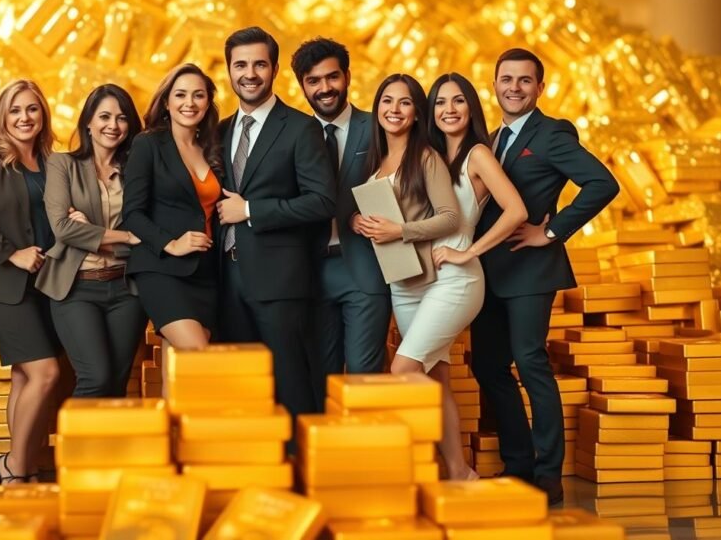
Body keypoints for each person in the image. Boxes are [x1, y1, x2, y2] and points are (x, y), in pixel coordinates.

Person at [471, 49, 619, 504]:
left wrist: (551, 231)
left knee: (530, 361)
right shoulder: (489, 138)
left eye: (524, 80)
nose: (514, 87)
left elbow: (603, 183)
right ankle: (518, 467)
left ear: (540, 87)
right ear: (493, 84)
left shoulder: (551, 133)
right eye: (506, 79)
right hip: (487, 269)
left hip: (531, 270)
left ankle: (549, 474)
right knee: (489, 366)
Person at [375, 72, 528, 480]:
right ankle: (459, 471)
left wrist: (469, 251)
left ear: (471, 108)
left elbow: (516, 210)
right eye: (441, 103)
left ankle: (393, 467)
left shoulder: (478, 154)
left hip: (457, 280)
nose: (449, 110)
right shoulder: (429, 153)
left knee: (403, 371)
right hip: (416, 281)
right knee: (437, 378)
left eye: (458, 101)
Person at [215, 26, 335, 427]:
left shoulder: (301, 128)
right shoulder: (219, 131)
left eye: (259, 64)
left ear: (275, 69)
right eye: (241, 65)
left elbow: (322, 201)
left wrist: (251, 211)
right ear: (229, 71)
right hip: (224, 278)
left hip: (281, 280)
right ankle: (256, 476)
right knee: (241, 389)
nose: (250, 73)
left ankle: (304, 473)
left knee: (291, 385)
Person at [0, 79, 62, 484]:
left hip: (43, 284)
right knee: (46, 372)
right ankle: (14, 467)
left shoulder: (52, 161)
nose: (24, 118)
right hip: (3, 283)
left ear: (43, 114)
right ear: (3, 116)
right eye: (15, 110)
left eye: (32, 109)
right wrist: (11, 253)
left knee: (24, 375)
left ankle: (21, 464)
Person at [290, 37, 391, 408]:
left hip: (365, 268)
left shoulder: (377, 126)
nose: (324, 88)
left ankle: (365, 460)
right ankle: (328, 459)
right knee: (320, 379)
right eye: (313, 81)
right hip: (309, 272)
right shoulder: (291, 133)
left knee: (365, 378)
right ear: (302, 85)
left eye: (332, 77)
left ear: (348, 77)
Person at [38, 84, 147, 398]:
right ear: (88, 122)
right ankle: (74, 448)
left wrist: (91, 233)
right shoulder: (63, 165)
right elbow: (62, 228)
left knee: (116, 383)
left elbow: (148, 236)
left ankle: (106, 448)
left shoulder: (136, 171)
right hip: (75, 288)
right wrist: (125, 235)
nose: (113, 125)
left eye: (122, 118)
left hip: (126, 289)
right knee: (95, 378)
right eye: (104, 116)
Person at [122, 65, 223, 351]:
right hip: (162, 269)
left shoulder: (213, 147)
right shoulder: (148, 144)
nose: (189, 103)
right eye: (180, 95)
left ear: (208, 102)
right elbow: (132, 213)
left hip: (206, 271)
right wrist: (171, 244)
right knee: (197, 353)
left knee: (178, 372)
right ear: (167, 102)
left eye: (198, 95)